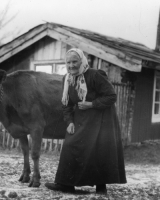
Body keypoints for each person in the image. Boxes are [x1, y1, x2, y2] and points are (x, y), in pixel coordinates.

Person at [45, 48, 127, 194]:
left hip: (100, 120)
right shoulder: (67, 79)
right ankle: (66, 184)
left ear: (82, 61)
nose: (71, 66)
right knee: (71, 145)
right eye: (68, 62)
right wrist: (69, 122)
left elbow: (111, 96)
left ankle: (101, 186)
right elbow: (67, 104)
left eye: (74, 61)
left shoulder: (95, 75)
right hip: (80, 119)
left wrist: (92, 104)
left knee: (98, 149)